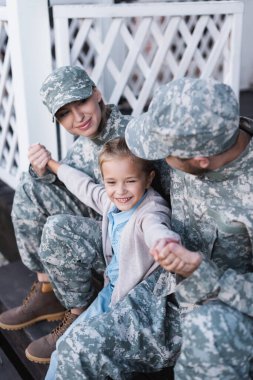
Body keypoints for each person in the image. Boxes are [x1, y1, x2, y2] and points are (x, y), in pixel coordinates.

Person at [0, 65, 131, 361]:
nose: (78, 117)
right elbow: (72, 189)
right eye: (64, 113)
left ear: (97, 94)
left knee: (59, 228)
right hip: (101, 226)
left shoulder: (131, 137)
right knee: (31, 183)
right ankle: (47, 287)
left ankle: (79, 311)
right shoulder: (83, 146)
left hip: (130, 242)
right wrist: (42, 171)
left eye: (81, 103)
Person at [125, 77, 253, 379]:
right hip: (167, 292)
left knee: (207, 332)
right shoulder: (191, 144)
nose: (157, 157)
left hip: (226, 316)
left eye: (164, 153)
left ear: (201, 160)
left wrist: (202, 271)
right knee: (78, 348)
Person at [44, 136, 181, 378]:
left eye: (130, 181)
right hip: (112, 291)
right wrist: (53, 165)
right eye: (111, 182)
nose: (120, 191)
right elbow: (84, 186)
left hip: (128, 301)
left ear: (149, 178)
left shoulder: (150, 210)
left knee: (70, 348)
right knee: (61, 350)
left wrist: (165, 242)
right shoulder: (112, 202)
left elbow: (156, 227)